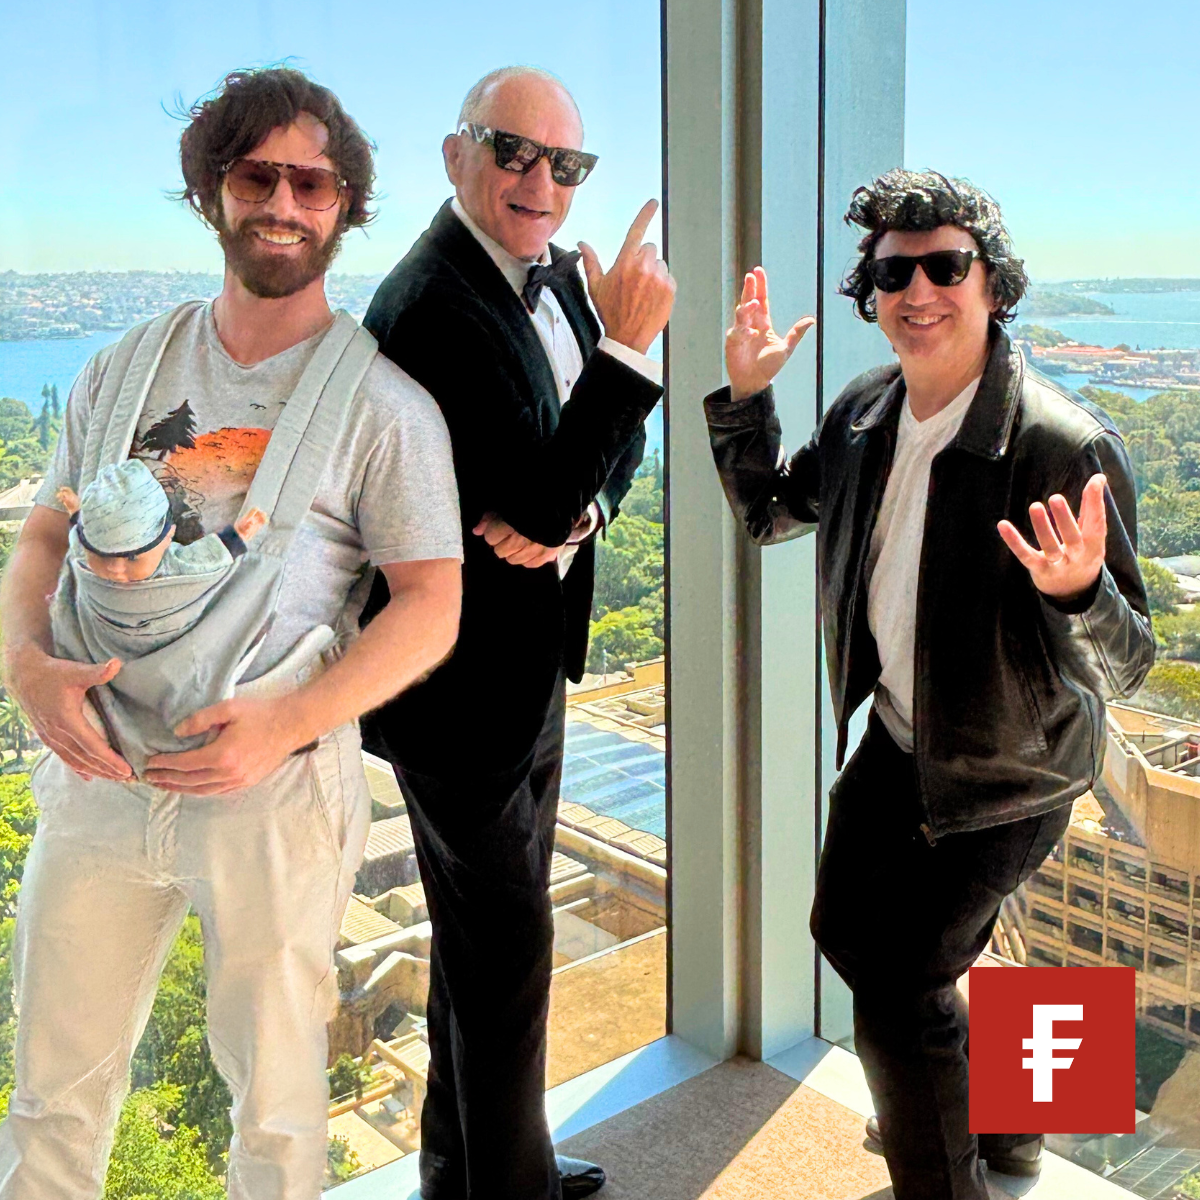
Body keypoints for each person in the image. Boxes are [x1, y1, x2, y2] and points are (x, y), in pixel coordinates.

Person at [0, 67, 463, 1200]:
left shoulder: (386, 409)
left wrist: (289, 723)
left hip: (273, 794)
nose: (284, 203)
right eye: (258, 176)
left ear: (347, 207)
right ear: (212, 190)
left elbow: (433, 604)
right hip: (102, 771)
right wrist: (25, 669)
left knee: (276, 1112)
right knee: (53, 1090)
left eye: (314, 183)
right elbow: (44, 545)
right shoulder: (119, 370)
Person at [703, 169, 1154, 1200]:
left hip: (1011, 773)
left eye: (947, 266)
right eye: (895, 272)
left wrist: (1080, 592)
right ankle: (1006, 1131)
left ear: (994, 283)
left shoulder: (1061, 444)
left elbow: (1130, 665)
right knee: (843, 934)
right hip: (899, 737)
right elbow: (773, 513)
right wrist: (745, 399)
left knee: (901, 991)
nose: (919, 291)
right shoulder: (866, 412)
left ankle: (942, 1170)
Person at [362, 66, 674, 1200]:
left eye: (567, 164)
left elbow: (591, 475)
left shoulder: (560, 285)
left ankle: (468, 1166)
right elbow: (546, 487)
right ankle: (512, 1188)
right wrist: (631, 357)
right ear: (456, 156)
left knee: (481, 950)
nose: (542, 181)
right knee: (509, 958)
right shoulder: (429, 304)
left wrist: (578, 508)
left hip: (528, 670)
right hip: (456, 695)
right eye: (514, 152)